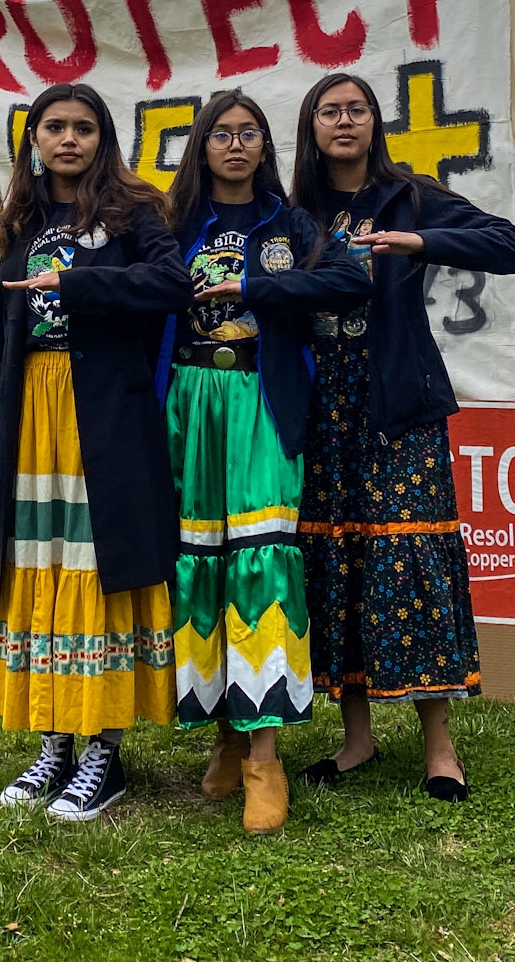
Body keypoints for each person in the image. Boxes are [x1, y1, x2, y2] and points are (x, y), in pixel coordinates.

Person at [291, 71, 515, 800]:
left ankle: (439, 747)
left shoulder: (408, 192)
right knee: (338, 560)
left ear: (375, 122)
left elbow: (510, 245)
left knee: (411, 553)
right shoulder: (294, 209)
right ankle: (356, 740)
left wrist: (420, 241)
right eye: (329, 111)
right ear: (312, 126)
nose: (343, 121)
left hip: (396, 398)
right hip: (317, 408)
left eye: (356, 109)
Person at [0, 83, 191, 822]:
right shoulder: (16, 224)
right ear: (33, 139)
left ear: (104, 138)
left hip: (107, 416)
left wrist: (78, 282)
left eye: (84, 127)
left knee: (97, 573)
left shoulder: (136, 212)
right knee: (41, 572)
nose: (69, 139)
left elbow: (171, 284)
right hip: (32, 411)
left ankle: (104, 751)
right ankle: (54, 743)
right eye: (55, 127)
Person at [159, 89, 368, 834]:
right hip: (186, 400)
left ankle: (265, 758)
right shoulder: (171, 223)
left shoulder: (291, 223)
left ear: (265, 145)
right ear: (202, 145)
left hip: (261, 400)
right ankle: (221, 734)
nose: (237, 144)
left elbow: (351, 279)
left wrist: (255, 285)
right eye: (222, 133)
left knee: (264, 562)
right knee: (199, 565)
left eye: (249, 133)